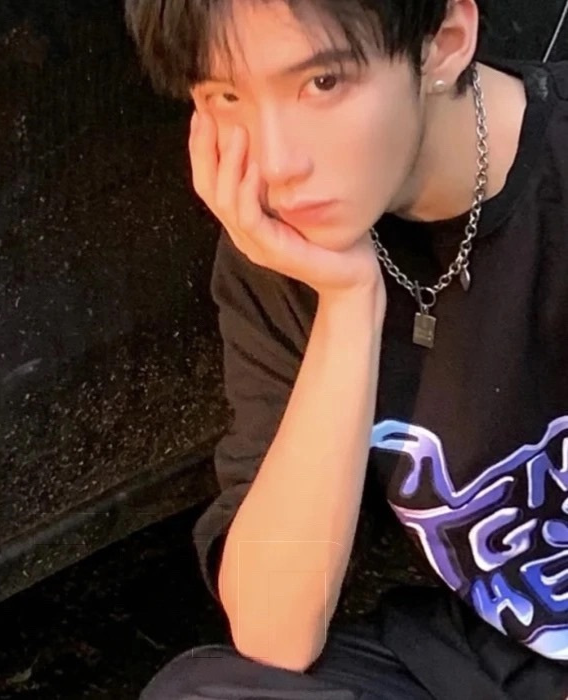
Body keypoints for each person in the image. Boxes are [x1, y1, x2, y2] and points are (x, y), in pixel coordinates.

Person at [124, 0, 568, 697]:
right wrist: (348, 301)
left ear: (444, 41)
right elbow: (274, 630)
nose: (278, 163)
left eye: (322, 83)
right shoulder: (284, 258)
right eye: (226, 97)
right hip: (496, 653)